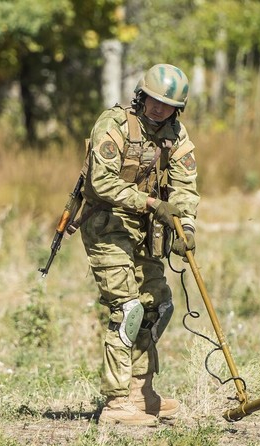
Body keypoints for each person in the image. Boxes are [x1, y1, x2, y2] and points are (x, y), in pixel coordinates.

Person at [79, 64, 199, 426]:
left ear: (177, 109)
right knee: (127, 309)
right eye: (153, 101)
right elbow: (101, 183)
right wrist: (151, 204)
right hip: (107, 223)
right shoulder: (112, 126)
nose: (159, 109)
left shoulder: (175, 134)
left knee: (156, 305)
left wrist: (186, 227)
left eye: (167, 104)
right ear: (140, 96)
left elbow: (185, 186)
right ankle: (117, 404)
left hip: (146, 230)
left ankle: (140, 391)